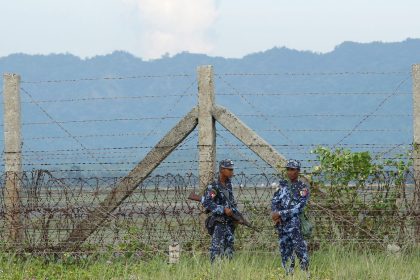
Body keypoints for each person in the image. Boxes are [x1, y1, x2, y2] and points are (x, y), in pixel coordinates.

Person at [271, 159, 310, 276]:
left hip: (295, 225)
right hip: (282, 225)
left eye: (292, 169)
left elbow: (299, 207)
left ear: (298, 171)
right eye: (288, 169)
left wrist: (281, 213)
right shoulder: (282, 185)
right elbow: (275, 200)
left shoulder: (302, 188)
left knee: (300, 249)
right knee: (284, 250)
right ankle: (288, 274)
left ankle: (305, 274)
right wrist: (275, 213)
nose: (290, 172)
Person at [201, 159, 237, 262]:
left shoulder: (229, 185)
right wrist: (223, 209)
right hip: (219, 223)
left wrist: (236, 216)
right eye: (229, 170)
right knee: (216, 251)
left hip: (229, 224)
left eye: (232, 169)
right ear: (222, 170)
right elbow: (207, 202)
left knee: (229, 251)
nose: (232, 172)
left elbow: (232, 202)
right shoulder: (214, 187)